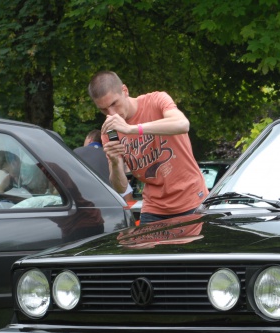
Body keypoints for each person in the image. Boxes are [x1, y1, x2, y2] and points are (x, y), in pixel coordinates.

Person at [87, 71, 208, 224]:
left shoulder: (156, 100)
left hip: (191, 201)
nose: (111, 113)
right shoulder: (109, 132)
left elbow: (182, 124)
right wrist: (116, 163)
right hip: (154, 209)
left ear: (125, 90)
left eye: (114, 104)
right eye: (103, 109)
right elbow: (120, 187)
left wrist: (132, 129)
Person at [73, 129, 133, 201]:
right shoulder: (112, 156)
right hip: (111, 201)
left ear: (90, 139)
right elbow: (125, 191)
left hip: (83, 200)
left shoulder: (76, 152)